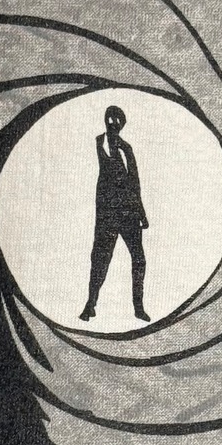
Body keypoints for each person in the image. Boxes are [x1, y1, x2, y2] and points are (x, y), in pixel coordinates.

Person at [80, 104, 150, 322]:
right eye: (110, 119)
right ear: (105, 120)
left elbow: (135, 181)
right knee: (100, 260)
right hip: (108, 214)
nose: (113, 124)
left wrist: (141, 212)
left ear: (122, 125)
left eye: (117, 121)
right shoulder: (100, 142)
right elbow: (106, 163)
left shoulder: (127, 148)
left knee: (139, 259)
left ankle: (138, 307)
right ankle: (90, 305)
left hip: (129, 213)